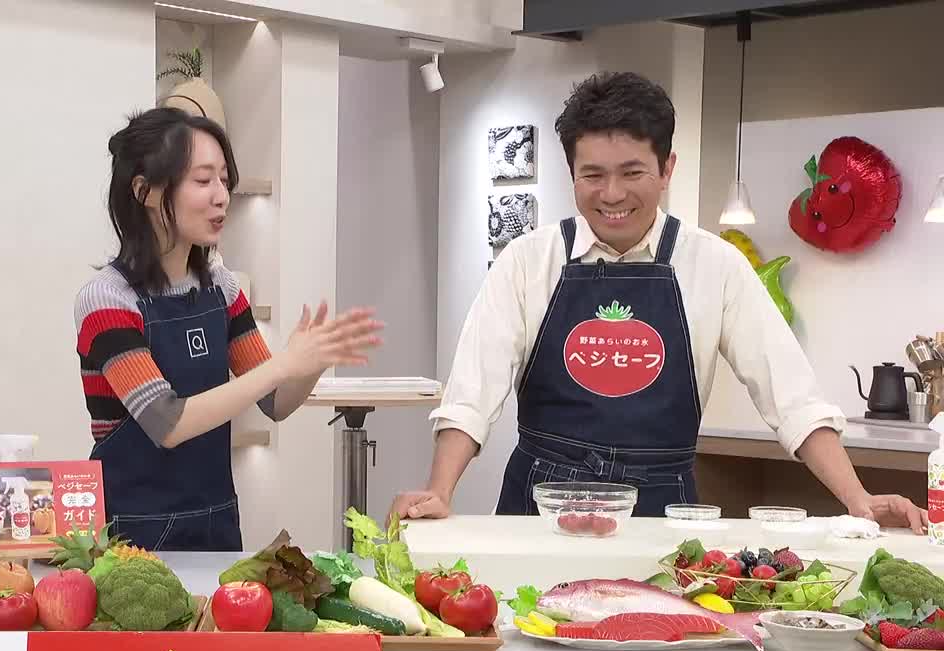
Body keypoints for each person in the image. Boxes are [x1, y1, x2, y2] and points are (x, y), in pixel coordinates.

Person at [392, 72, 928, 532]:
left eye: (632, 172)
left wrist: (858, 499)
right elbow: (471, 393)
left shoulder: (714, 265)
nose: (612, 194)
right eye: (592, 175)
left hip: (661, 507)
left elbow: (792, 397)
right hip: (541, 501)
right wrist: (441, 490)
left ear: (667, 168)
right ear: (571, 174)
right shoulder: (527, 260)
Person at [76, 107, 383, 551]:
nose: (221, 195)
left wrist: (314, 361)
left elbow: (276, 402)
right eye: (203, 181)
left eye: (224, 178)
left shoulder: (222, 288)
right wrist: (282, 366)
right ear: (144, 191)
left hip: (218, 522)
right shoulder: (106, 300)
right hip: (131, 533)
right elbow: (168, 422)